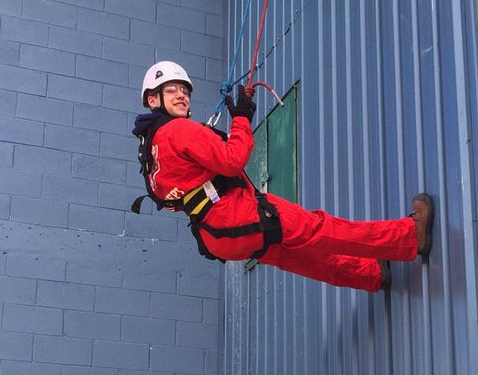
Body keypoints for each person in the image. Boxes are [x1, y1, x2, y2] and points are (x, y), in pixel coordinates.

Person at [132, 61, 434, 293]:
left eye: (184, 90)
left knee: (296, 256)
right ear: (153, 100)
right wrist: (241, 119)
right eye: (171, 90)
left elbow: (172, 201)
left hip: (219, 239)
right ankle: (409, 237)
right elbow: (232, 161)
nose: (181, 95)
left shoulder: (149, 155)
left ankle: (370, 275)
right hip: (237, 217)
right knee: (318, 228)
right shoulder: (178, 130)